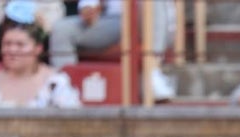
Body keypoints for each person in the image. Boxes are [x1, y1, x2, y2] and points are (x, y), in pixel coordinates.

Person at [48, 0, 176, 100]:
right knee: (61, 29)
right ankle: (64, 89)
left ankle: (151, 72)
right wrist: (88, 5)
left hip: (147, 20)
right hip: (112, 21)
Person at [0, 15, 81, 107]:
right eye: (7, 44)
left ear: (38, 48)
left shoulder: (56, 83)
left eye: (20, 44)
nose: (12, 50)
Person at [0, 0, 65, 61]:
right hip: (7, 28)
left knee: (52, 37)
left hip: (37, 30)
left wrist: (37, 21)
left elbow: (54, 21)